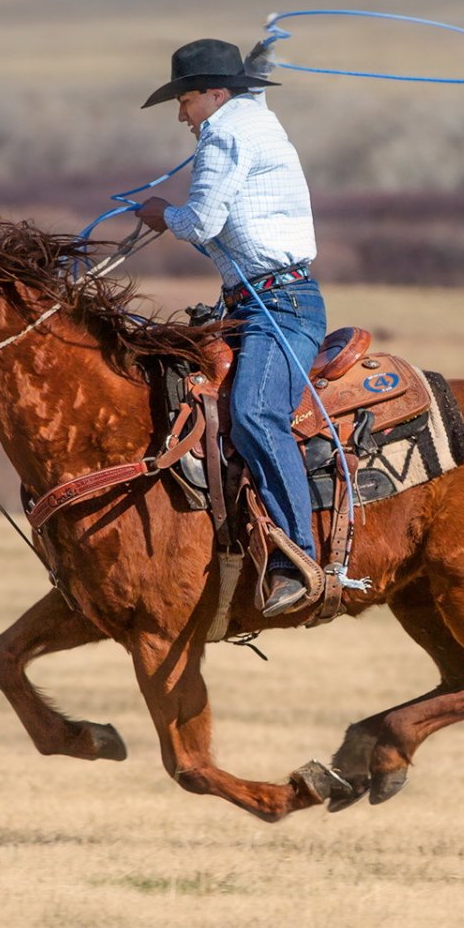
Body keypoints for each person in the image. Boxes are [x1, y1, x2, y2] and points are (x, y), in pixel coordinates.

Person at [136, 38, 328, 617]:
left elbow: (201, 222)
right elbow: (254, 97)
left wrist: (161, 215)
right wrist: (260, 63)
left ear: (216, 95)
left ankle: (296, 560)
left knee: (255, 413)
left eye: (186, 100)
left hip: (278, 306)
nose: (182, 116)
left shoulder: (224, 134)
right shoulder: (252, 117)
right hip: (256, 303)